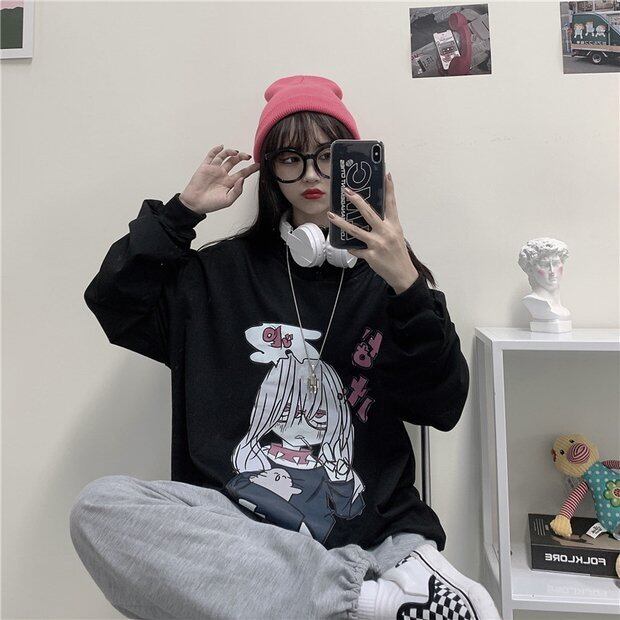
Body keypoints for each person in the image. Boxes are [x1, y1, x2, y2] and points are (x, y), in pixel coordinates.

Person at [70, 75, 500, 620]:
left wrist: (407, 285)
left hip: (376, 534)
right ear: (270, 170)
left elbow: (443, 407)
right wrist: (181, 214)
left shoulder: (389, 282)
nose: (312, 175)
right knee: (99, 508)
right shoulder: (217, 275)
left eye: (327, 156)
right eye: (291, 159)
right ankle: (363, 601)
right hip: (240, 535)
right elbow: (114, 303)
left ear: (352, 161)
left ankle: (343, 595)